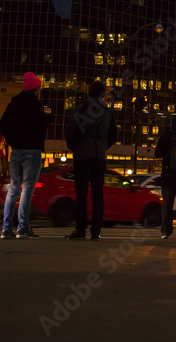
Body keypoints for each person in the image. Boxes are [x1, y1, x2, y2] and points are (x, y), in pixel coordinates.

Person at [0, 72, 52, 239]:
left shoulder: (14, 104)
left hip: (17, 151)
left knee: (13, 189)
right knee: (27, 189)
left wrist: (13, 141)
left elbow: (2, 125)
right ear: (35, 88)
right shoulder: (37, 106)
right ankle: (23, 227)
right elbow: (42, 128)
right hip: (32, 150)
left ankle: (6, 228)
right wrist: (47, 117)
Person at [64, 80, 117, 241]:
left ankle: (81, 229)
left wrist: (76, 147)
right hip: (99, 157)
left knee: (81, 194)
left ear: (88, 93)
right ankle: (96, 230)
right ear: (102, 94)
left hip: (82, 156)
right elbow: (114, 135)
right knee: (97, 194)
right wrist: (102, 147)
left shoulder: (82, 108)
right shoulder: (108, 112)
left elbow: (71, 131)